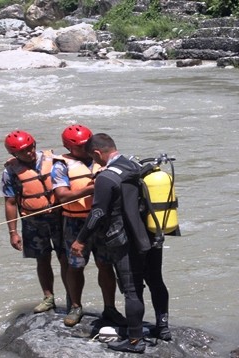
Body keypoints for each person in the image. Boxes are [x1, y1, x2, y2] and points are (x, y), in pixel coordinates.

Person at [71, 133, 165, 353]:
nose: (96, 164)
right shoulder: (133, 165)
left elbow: (98, 213)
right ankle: (163, 327)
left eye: (94, 159)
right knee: (154, 282)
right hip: (148, 234)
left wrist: (80, 240)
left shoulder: (106, 177)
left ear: (96, 153)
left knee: (131, 290)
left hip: (123, 238)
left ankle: (135, 340)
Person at [51, 124, 126, 327]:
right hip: (75, 222)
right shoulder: (60, 166)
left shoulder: (102, 160)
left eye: (87, 145)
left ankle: (110, 308)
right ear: (68, 147)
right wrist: (94, 187)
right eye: (80, 146)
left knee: (105, 264)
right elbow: (62, 195)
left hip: (102, 222)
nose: (85, 150)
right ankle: (75, 306)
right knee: (75, 266)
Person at [1, 130, 67, 313]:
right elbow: (10, 201)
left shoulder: (53, 160)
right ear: (14, 154)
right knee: (42, 259)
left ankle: (72, 298)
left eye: (31, 148)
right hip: (33, 221)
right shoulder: (10, 172)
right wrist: (13, 232)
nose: (29, 152)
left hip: (59, 216)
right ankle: (48, 297)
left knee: (65, 258)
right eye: (23, 151)